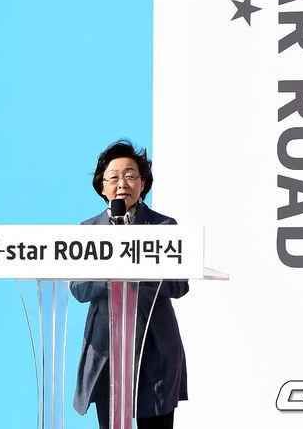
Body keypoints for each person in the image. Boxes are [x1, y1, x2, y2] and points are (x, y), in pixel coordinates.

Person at [70, 140, 188, 429]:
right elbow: (79, 288)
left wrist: (138, 266)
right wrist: (112, 274)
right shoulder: (88, 231)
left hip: (154, 348)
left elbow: (179, 285)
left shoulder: (163, 227)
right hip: (106, 352)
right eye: (113, 177)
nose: (122, 183)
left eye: (131, 175)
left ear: (142, 183)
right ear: (102, 187)